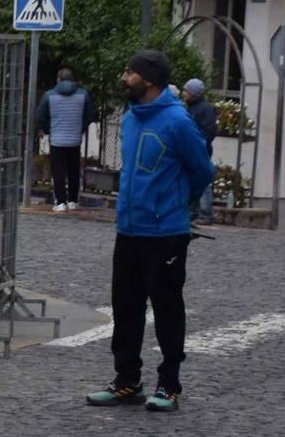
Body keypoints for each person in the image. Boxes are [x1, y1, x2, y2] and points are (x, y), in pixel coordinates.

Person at [86, 50, 215, 414]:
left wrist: (176, 206)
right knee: (125, 308)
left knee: (167, 309)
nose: (124, 77)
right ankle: (127, 380)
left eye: (130, 72)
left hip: (165, 233)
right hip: (129, 229)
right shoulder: (130, 117)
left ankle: (169, 385)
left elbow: (202, 171)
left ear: (150, 80)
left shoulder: (178, 121)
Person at [34, 66, 95, 212]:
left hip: (57, 139)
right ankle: (73, 201)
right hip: (75, 139)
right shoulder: (83, 95)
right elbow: (89, 116)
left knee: (58, 171)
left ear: (58, 79)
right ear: (73, 80)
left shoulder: (49, 95)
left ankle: (60, 202)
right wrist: (80, 128)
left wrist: (49, 129)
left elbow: (39, 117)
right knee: (74, 170)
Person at [181, 77, 219, 223]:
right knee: (192, 181)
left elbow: (209, 131)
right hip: (193, 149)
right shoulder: (192, 108)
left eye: (186, 91)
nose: (184, 93)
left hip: (200, 150)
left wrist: (197, 143)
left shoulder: (204, 109)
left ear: (193, 93)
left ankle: (205, 213)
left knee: (202, 182)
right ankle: (194, 212)